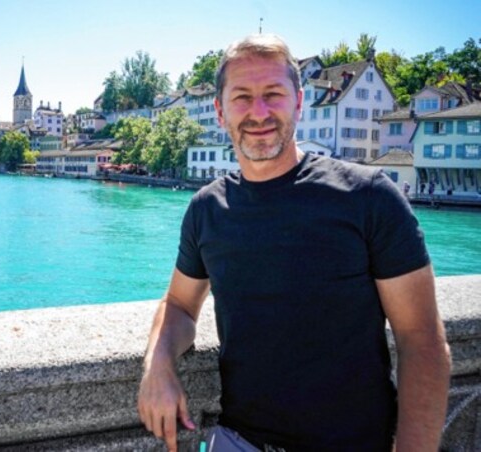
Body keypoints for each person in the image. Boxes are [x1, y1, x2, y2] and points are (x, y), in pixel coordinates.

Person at [137, 34, 451, 452]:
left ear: (299, 102)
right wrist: (157, 364)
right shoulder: (206, 209)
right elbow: (178, 305)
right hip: (241, 442)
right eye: (242, 97)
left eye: (273, 94)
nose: (259, 112)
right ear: (219, 111)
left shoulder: (369, 198)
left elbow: (422, 340)